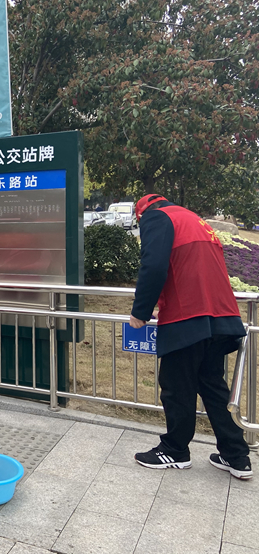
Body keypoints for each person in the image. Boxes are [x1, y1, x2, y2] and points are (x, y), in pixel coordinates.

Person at [129, 194, 251, 479]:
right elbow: (189, 266)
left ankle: (175, 450)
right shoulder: (194, 220)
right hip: (219, 316)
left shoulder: (157, 217)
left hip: (187, 317)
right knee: (212, 385)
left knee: (176, 385)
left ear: (142, 214)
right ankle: (236, 455)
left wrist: (141, 311)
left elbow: (154, 265)